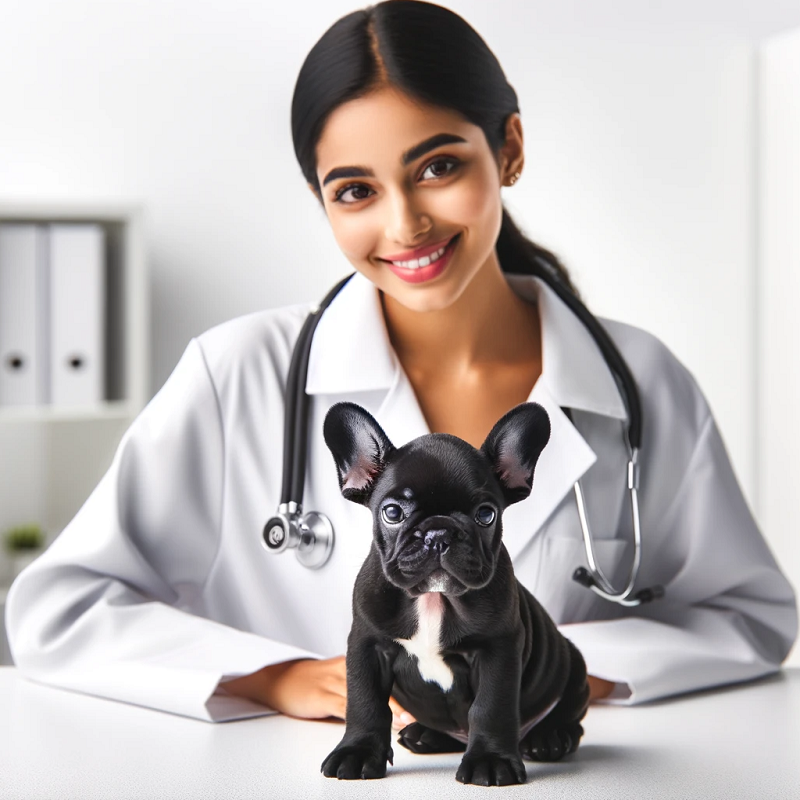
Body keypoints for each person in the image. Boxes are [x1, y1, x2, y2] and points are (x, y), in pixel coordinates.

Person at [6, 0, 797, 730]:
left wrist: (563, 672)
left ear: (509, 149)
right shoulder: (237, 374)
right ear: (322, 199)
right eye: (354, 190)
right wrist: (272, 675)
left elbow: (748, 614)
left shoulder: (639, 378)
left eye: (438, 168)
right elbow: (61, 608)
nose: (405, 223)